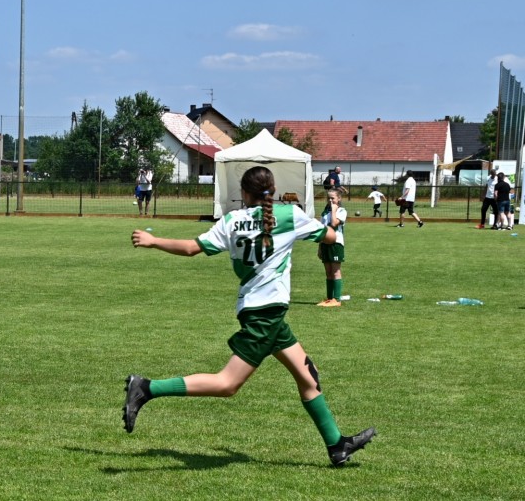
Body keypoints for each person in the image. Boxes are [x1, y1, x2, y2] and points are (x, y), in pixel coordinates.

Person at [124, 166, 375, 466]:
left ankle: (337, 445)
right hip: (265, 315)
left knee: (309, 376)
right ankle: (146, 388)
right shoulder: (289, 215)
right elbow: (331, 236)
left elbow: (192, 248)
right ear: (273, 190)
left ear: (243, 193)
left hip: (260, 311)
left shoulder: (231, 221)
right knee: (227, 384)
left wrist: (154, 241)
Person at [317, 188, 347, 307]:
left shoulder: (341, 211)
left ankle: (337, 299)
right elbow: (322, 230)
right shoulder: (325, 213)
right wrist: (320, 247)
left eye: (332, 198)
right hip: (325, 244)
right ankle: (329, 298)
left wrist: (334, 210)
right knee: (328, 272)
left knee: (335, 271)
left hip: (336, 244)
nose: (330, 200)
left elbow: (334, 223)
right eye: (328, 198)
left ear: (339, 198)